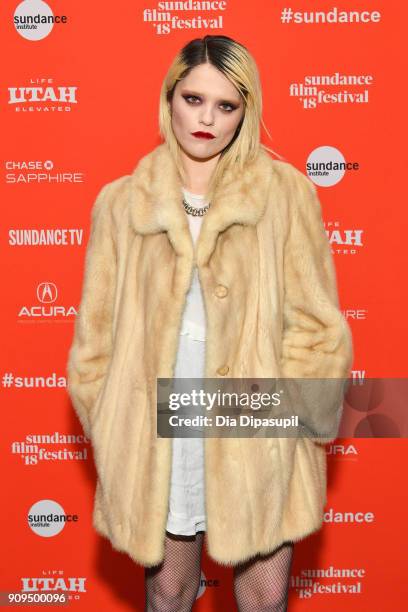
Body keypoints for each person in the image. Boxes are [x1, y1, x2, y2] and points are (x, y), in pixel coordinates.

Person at [66, 35, 353, 611]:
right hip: (158, 427)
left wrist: (294, 421)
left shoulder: (285, 195)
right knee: (169, 592)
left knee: (266, 595)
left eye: (227, 106)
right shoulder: (122, 204)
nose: (207, 119)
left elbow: (319, 326)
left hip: (255, 417)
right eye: (194, 99)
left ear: (246, 112)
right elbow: (93, 341)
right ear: (170, 97)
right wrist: (113, 423)